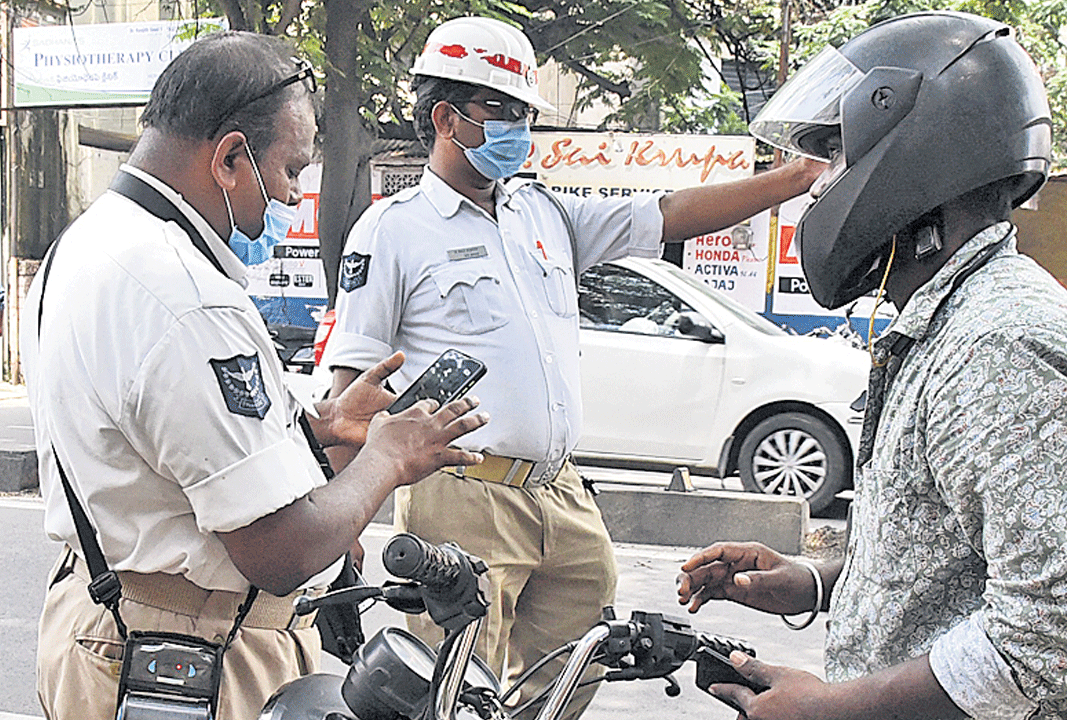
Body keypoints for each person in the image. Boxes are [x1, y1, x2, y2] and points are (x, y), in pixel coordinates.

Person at [320, 15, 824, 718]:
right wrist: (340, 537)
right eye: (503, 110)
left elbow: (669, 212)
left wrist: (793, 179)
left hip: (560, 493)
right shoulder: (394, 228)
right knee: (455, 692)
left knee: (575, 672)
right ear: (446, 117)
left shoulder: (543, 213)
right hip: (464, 494)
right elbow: (351, 398)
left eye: (525, 112)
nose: (519, 127)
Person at [677, 11, 1067, 720]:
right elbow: (957, 557)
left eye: (837, 158)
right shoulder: (952, 324)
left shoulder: (1000, 345)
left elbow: (1058, 627)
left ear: (915, 156)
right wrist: (814, 582)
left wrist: (835, 709)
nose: (819, 189)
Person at [21, 32, 488, 720]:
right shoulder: (185, 295)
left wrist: (313, 430)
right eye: (292, 168)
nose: (295, 194)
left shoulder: (90, 241)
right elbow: (281, 549)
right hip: (187, 650)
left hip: (114, 627)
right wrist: (385, 459)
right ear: (231, 157)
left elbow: (157, 440)